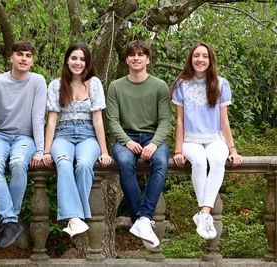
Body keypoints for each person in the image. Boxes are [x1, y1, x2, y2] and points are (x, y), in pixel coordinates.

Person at [0, 41, 47, 249]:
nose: (24, 58)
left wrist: (41, 150)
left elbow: (37, 118)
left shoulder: (37, 81)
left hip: (25, 138)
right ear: (11, 57)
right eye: (20, 54)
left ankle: (9, 221)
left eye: (28, 55)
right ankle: (11, 222)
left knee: (17, 163)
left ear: (32, 61)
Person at [171, 42, 242, 240]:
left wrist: (233, 149)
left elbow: (224, 120)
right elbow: (179, 120)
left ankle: (203, 214)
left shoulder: (221, 84)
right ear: (191, 59)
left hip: (214, 138)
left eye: (204, 56)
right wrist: (178, 150)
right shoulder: (181, 84)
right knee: (200, 162)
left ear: (210, 60)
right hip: (191, 139)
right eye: (196, 56)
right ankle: (204, 215)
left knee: (219, 161)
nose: (200, 60)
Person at [106, 40, 171, 249]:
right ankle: (142, 219)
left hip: (153, 138)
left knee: (160, 163)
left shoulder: (159, 86)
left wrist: (153, 143)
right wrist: (127, 141)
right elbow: (112, 121)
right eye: (132, 54)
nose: (136, 58)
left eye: (141, 54)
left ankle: (141, 219)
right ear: (126, 59)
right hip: (126, 138)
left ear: (148, 59)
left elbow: (165, 121)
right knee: (125, 162)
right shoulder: (116, 86)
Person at [42, 43, 112, 237]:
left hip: (87, 135)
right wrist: (46, 151)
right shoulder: (56, 85)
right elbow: (52, 120)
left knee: (83, 165)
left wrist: (104, 151)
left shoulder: (94, 83)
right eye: (74, 58)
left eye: (82, 59)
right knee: (63, 163)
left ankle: (75, 218)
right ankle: (75, 218)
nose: (78, 63)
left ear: (87, 62)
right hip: (62, 135)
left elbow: (98, 119)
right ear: (67, 60)